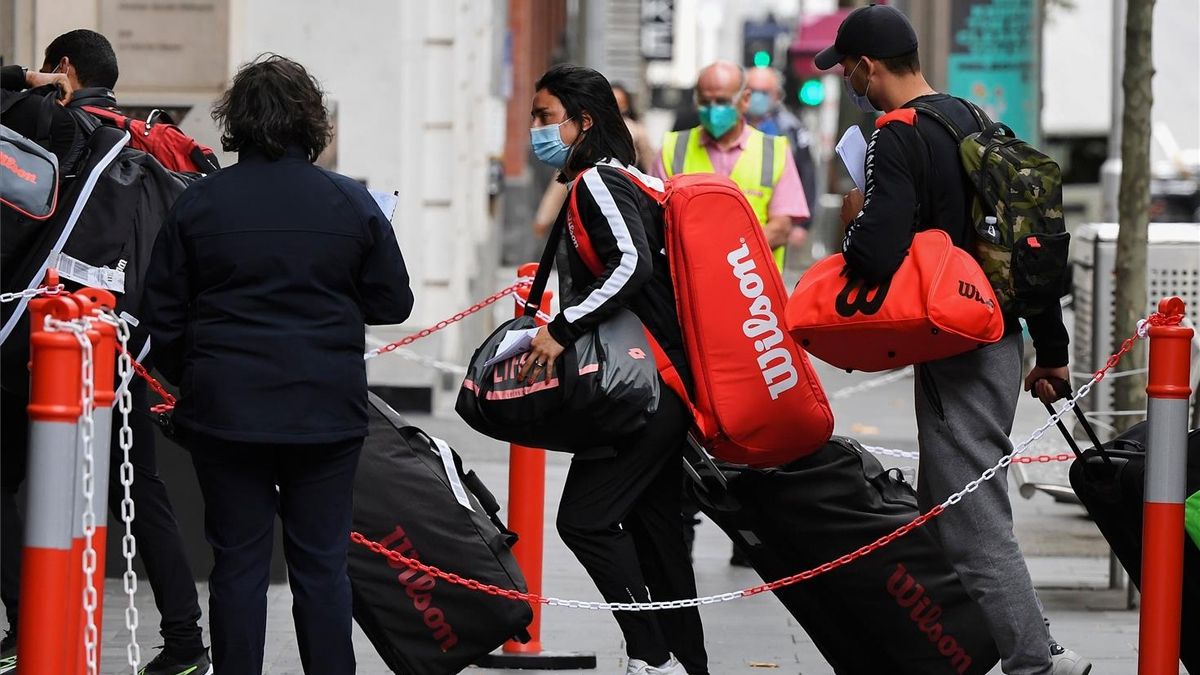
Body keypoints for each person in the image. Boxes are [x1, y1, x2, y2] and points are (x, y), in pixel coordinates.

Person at [813, 5, 1090, 675]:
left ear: (867, 67)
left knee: (969, 511)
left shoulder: (897, 135)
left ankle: (1036, 658)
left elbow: (875, 256)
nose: (849, 82)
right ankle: (971, 639)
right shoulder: (973, 119)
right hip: (998, 336)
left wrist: (854, 219)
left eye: (847, 70)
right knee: (948, 500)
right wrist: (1049, 350)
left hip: (955, 342)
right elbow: (1031, 246)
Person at [141, 54, 414, 674]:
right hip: (325, 409)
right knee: (322, 564)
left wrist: (196, 375)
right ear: (311, 123)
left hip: (226, 409)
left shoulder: (198, 204)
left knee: (237, 563)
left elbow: (162, 315)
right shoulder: (352, 203)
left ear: (235, 123)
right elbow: (393, 301)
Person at [1, 29, 214, 675]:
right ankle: (184, 641)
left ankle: (29, 624)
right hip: (128, 342)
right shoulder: (151, 141)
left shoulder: (63, 127)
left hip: (46, 337)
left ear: (63, 68)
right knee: (141, 488)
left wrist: (23, 80)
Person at [522, 63, 707, 675]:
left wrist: (562, 326)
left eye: (546, 117)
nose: (537, 128)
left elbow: (631, 266)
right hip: (659, 385)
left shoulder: (599, 181)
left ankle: (651, 658)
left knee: (586, 520)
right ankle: (684, 662)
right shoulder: (615, 177)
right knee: (656, 533)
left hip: (644, 390)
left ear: (584, 122)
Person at [650, 61, 809, 273]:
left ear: (744, 100)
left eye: (723, 101)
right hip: (688, 284)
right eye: (705, 102)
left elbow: (780, 228)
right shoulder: (672, 148)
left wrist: (724, 256)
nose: (713, 110)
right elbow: (655, 219)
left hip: (755, 292)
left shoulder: (775, 151)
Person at [532, 83, 654, 239]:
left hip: (621, 196)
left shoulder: (636, 131)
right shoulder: (586, 135)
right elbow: (560, 184)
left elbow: (650, 166)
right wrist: (544, 216)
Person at [744, 66, 819, 227]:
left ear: (776, 95)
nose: (756, 97)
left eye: (764, 92)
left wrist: (803, 225)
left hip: (778, 219)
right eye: (752, 91)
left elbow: (806, 173)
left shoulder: (791, 128)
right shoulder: (732, 124)